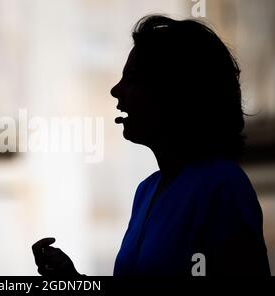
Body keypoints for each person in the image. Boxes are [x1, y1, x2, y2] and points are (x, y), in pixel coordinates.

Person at [32, 15, 271, 276]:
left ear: (175, 94)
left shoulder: (222, 186)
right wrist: (73, 280)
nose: (116, 90)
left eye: (132, 80)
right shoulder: (146, 191)